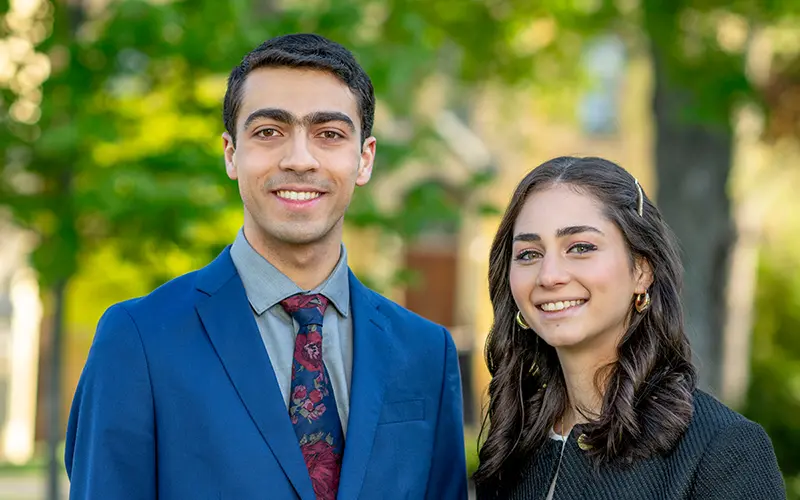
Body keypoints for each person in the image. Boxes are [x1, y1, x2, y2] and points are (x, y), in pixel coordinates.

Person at [65, 33, 468, 500]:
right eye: (269, 132)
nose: (299, 159)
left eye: (329, 134)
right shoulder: (138, 339)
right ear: (231, 153)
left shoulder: (425, 352)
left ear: (365, 158)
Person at [474, 156, 785, 500]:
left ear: (641, 270)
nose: (549, 276)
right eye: (529, 254)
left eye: (580, 247)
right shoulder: (512, 445)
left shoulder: (721, 450)